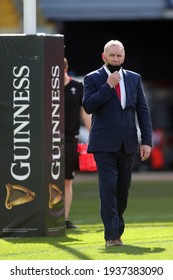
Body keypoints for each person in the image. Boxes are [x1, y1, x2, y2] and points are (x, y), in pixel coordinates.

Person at [82, 40, 152, 246]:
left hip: (128, 143)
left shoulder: (134, 78)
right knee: (108, 187)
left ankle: (116, 229)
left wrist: (146, 141)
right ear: (104, 57)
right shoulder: (93, 78)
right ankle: (112, 236)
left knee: (122, 190)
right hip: (103, 144)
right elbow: (88, 106)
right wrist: (108, 86)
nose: (116, 59)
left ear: (124, 57)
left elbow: (143, 111)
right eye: (112, 56)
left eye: (119, 56)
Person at [64, 57, 91, 229]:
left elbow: (85, 113)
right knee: (45, 180)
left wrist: (93, 134)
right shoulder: (45, 87)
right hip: (47, 139)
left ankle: (64, 219)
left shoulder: (77, 87)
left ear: (65, 68)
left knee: (67, 180)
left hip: (69, 139)